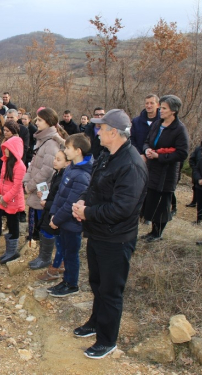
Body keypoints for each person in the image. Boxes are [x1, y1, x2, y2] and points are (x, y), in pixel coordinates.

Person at [72, 109, 148, 359]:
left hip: (116, 239)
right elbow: (93, 187)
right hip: (98, 233)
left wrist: (88, 213)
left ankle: (107, 340)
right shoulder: (107, 155)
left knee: (111, 291)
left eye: (100, 128)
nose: (96, 131)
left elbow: (122, 209)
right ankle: (95, 322)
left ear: (113, 132)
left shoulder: (131, 164)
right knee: (97, 284)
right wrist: (82, 203)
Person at [47, 134, 93, 298]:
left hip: (71, 223)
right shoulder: (71, 168)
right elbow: (60, 195)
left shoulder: (82, 175)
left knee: (71, 255)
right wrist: (53, 214)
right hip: (62, 221)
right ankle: (66, 281)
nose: (65, 150)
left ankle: (72, 284)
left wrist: (57, 219)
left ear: (78, 151)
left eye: (68, 148)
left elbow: (71, 203)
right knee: (65, 251)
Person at [141, 95, 189, 242]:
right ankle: (152, 230)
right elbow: (147, 141)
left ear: (173, 111)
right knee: (152, 198)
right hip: (152, 168)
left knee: (162, 202)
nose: (160, 110)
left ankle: (157, 233)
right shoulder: (157, 124)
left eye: (163, 108)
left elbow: (182, 153)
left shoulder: (179, 129)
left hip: (166, 172)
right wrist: (147, 150)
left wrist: (160, 157)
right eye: (160, 107)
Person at [23, 107, 65, 267]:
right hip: (35, 188)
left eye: (39, 120)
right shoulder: (42, 140)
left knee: (46, 223)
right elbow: (33, 164)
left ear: (48, 122)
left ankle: (46, 258)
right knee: (41, 224)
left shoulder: (52, 143)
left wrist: (31, 186)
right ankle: (43, 255)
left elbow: (47, 170)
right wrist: (26, 181)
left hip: (43, 192)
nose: (36, 122)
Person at [35, 150, 71, 279]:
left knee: (56, 239)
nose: (54, 161)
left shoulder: (64, 178)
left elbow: (62, 199)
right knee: (47, 233)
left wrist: (47, 204)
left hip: (54, 212)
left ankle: (52, 264)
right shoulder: (58, 174)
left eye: (58, 159)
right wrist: (45, 195)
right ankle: (46, 258)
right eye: (55, 158)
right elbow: (55, 194)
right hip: (50, 208)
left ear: (67, 163)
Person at [0, 136, 27, 264]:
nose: (5, 150)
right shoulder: (6, 162)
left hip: (13, 201)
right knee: (9, 223)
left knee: (14, 224)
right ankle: (9, 250)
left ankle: (13, 252)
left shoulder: (20, 166)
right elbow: (2, 180)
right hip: (5, 199)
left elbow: (17, 187)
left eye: (7, 148)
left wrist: (4, 199)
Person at [187, 141, 202, 208]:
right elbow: (191, 160)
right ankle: (194, 202)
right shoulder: (198, 149)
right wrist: (195, 168)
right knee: (196, 188)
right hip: (197, 174)